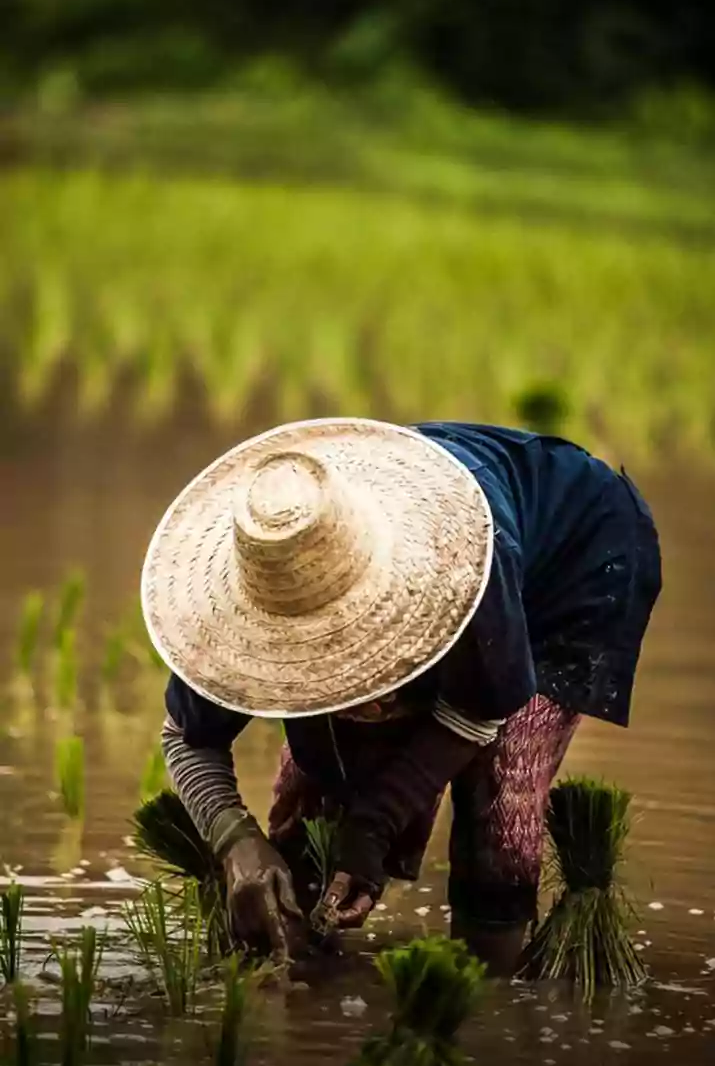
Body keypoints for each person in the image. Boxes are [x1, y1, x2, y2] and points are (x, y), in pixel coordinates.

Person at [142, 418, 662, 975]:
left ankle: (482, 988)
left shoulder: (461, 564)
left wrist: (377, 823)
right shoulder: (237, 608)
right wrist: (235, 841)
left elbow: (482, 707)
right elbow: (187, 737)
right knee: (312, 792)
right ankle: (302, 950)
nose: (362, 702)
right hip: (434, 551)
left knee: (500, 798)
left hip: (571, 561)